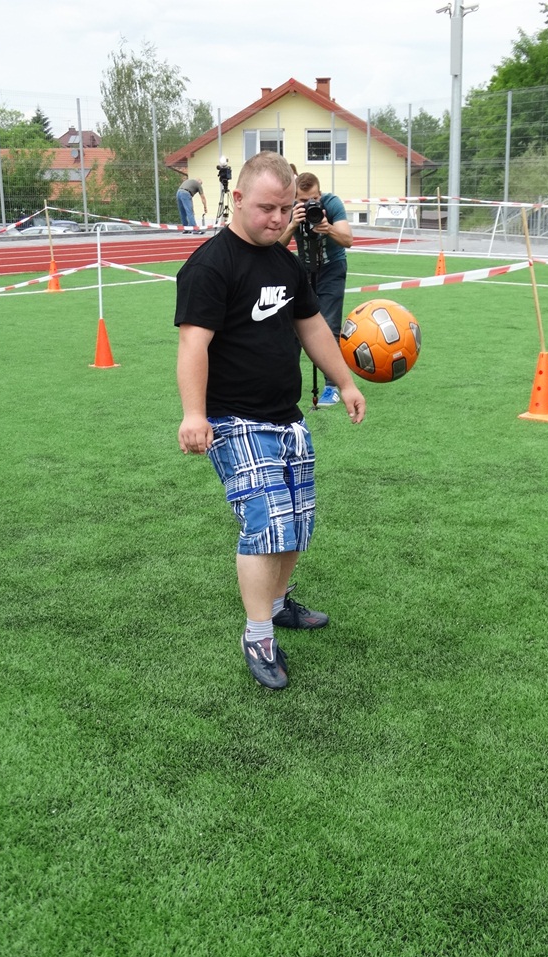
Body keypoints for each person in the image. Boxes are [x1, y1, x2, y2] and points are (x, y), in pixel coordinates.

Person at [175, 152, 366, 690]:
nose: (278, 218)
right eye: (266, 208)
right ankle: (258, 635)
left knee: (298, 521)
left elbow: (313, 328)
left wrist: (345, 382)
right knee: (265, 522)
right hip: (233, 419)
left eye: (286, 209)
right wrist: (193, 414)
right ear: (237, 199)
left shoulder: (286, 264)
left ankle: (278, 603)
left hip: (286, 416)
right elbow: (193, 345)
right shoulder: (211, 266)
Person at [279, 171, 353, 407]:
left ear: (320, 195)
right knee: (293, 327)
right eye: (302, 200)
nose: (308, 204)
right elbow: (275, 247)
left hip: (332, 268)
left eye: (313, 199)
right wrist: (292, 224)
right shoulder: (290, 210)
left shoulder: (331, 204)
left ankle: (332, 386)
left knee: (329, 325)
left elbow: (348, 240)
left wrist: (327, 228)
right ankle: (285, 383)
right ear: (294, 198)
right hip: (303, 270)